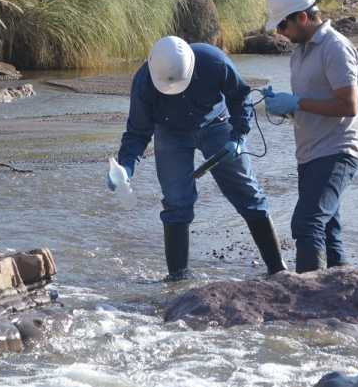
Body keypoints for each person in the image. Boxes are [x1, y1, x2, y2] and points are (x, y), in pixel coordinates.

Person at [108, 36, 287, 281]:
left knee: (246, 192)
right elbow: (137, 132)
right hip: (170, 133)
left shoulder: (213, 61)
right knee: (176, 201)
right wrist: (126, 167)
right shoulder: (144, 82)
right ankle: (178, 280)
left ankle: (278, 270)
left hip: (216, 123)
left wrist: (239, 135)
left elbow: (240, 97)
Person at [262, 0, 358, 272]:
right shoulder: (300, 54)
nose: (280, 33)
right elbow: (312, 104)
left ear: (302, 18)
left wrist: (296, 103)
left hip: (337, 150)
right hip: (310, 154)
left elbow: (348, 106)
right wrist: (287, 109)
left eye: (283, 26)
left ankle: (308, 303)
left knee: (306, 224)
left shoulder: (336, 48)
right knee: (329, 231)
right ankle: (342, 295)